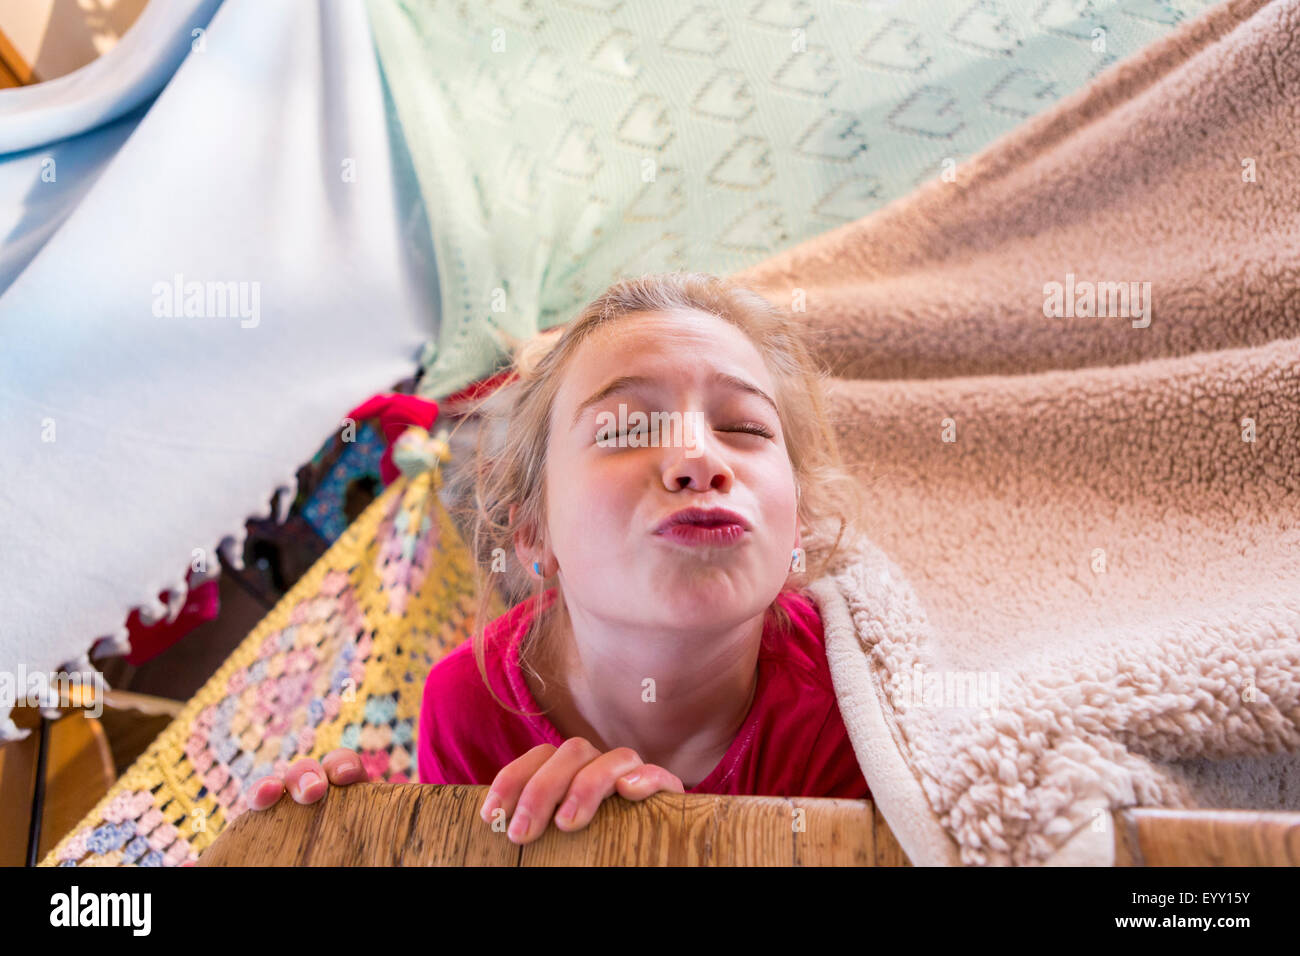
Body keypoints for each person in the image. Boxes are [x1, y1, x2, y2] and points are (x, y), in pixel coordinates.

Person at [247, 272, 872, 845]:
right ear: (532, 531)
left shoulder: (860, 704)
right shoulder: (469, 708)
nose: (700, 460)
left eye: (747, 427)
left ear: (800, 524)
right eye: (625, 429)